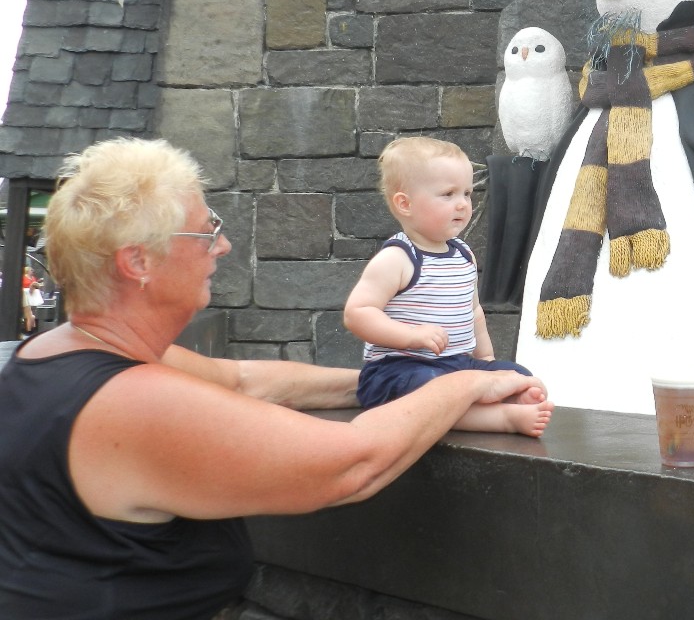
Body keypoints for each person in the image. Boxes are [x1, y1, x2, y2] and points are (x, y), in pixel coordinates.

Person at [0, 137, 547, 619]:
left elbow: (241, 380)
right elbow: (352, 465)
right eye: (206, 232)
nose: (223, 246)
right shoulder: (129, 401)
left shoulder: (62, 348)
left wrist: (388, 379)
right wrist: (465, 383)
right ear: (138, 262)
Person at [344, 136, 552, 436]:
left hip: (457, 364)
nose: (463, 204)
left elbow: (474, 312)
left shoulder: (463, 254)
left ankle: (509, 399)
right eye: (448, 194)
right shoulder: (398, 258)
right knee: (434, 390)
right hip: (399, 370)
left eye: (467, 193)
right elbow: (358, 313)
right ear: (405, 204)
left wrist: (486, 360)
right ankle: (501, 419)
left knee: (517, 374)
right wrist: (410, 336)